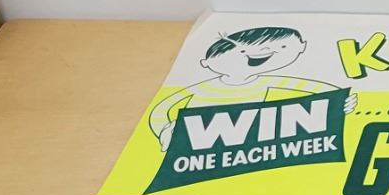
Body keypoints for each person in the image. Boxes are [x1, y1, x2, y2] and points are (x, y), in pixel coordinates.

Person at [147, 26, 357, 149]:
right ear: (206, 62)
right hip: (200, 133)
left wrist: (338, 102)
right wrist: (164, 130)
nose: (264, 52)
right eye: (241, 52)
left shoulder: (266, 81)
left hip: (246, 134)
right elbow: (162, 108)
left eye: (282, 47)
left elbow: (311, 86)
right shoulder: (202, 88)